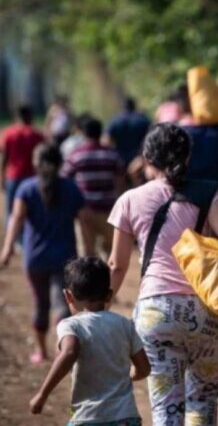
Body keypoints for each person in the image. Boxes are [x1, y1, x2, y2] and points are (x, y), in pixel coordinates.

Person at [108, 123, 218, 425]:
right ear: (187, 158)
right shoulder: (209, 194)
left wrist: (101, 309)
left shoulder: (129, 200)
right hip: (208, 311)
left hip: (156, 313)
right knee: (203, 401)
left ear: (147, 158)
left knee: (166, 408)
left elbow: (117, 266)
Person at [29, 257, 150, 425]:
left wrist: (42, 394)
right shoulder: (125, 324)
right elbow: (144, 369)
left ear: (68, 296)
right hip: (127, 418)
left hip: (89, 417)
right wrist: (127, 375)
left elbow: (69, 351)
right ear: (109, 295)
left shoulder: (71, 325)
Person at [0, 143, 87, 363]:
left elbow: (16, 219)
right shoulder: (71, 188)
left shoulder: (26, 188)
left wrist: (7, 250)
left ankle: (41, 351)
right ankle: (63, 350)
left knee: (41, 303)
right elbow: (84, 223)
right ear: (60, 162)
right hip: (65, 258)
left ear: (35, 163)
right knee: (62, 304)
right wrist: (88, 252)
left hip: (35, 257)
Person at [62, 118, 125, 257]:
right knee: (109, 250)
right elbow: (120, 180)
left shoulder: (76, 155)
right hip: (108, 210)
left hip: (85, 211)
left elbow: (65, 179)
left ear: (84, 133)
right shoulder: (112, 154)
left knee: (87, 252)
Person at [1, 105, 46, 226]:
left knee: (11, 210)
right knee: (34, 210)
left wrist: (2, 177)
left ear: (16, 117)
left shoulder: (9, 133)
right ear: (30, 116)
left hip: (14, 177)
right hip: (33, 177)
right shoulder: (37, 135)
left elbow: (4, 158)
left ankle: (12, 234)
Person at [107, 97, 151, 166]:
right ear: (134, 106)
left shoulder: (115, 120)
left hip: (120, 158)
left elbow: (107, 140)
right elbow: (151, 136)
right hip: (138, 159)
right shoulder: (143, 120)